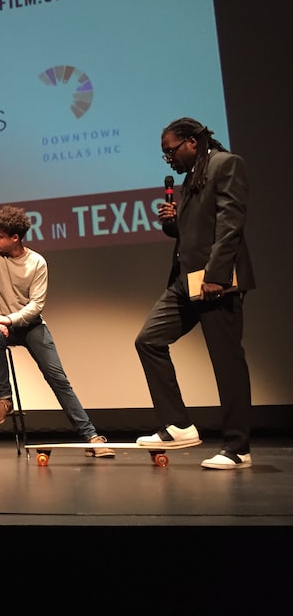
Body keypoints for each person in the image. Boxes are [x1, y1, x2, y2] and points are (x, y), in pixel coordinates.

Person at [135, 117, 255, 470]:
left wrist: (217, 275)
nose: (169, 159)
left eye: (171, 150)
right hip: (186, 279)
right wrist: (173, 222)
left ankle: (238, 447)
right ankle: (179, 424)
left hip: (216, 280)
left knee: (227, 363)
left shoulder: (225, 164)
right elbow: (192, 232)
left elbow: (231, 223)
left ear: (191, 141)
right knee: (149, 340)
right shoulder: (191, 179)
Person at [0, 205, 115, 458]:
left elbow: (36, 305)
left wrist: (7, 319)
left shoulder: (36, 263)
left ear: (15, 238)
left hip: (30, 326)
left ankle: (92, 437)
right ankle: (5, 399)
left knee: (58, 379)